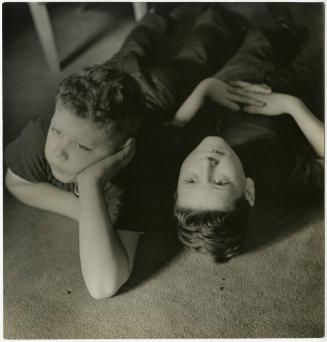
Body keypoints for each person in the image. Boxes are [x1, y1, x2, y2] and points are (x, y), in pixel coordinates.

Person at [4, 4, 248, 299]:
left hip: (156, 94)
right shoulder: (40, 135)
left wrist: (91, 182)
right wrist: (81, 207)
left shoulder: (140, 173)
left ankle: (219, 14)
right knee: (134, 47)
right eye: (57, 130)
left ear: (123, 151)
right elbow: (14, 181)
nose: (58, 152)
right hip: (113, 81)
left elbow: (103, 286)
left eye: (81, 146)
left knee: (194, 60)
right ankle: (156, 14)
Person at [172, 18, 324, 262]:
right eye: (220, 181)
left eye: (191, 179)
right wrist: (293, 106)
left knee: (260, 36)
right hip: (292, 84)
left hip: (237, 72)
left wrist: (205, 88)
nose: (205, 163)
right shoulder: (276, 176)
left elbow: (174, 126)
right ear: (249, 191)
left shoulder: (173, 154)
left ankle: (276, 27)